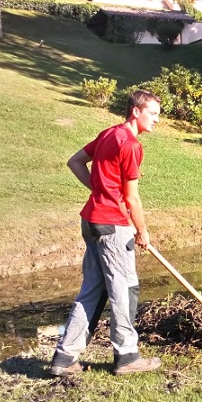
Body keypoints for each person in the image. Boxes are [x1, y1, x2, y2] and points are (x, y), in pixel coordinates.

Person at [50, 89, 163, 376]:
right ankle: (126, 356)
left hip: (91, 221)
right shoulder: (131, 145)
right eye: (153, 113)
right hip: (113, 225)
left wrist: (99, 192)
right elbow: (133, 199)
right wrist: (143, 231)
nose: (157, 120)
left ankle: (64, 358)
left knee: (93, 289)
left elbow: (74, 161)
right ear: (135, 111)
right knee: (125, 289)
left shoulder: (108, 134)